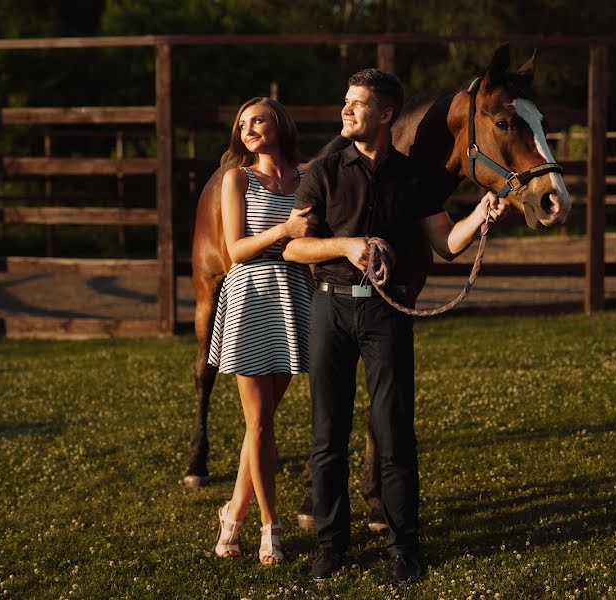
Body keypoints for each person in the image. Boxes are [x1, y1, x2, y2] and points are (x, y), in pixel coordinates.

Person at [282, 69, 509, 583]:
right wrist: (346, 246)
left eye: (358, 103)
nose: (346, 110)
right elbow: (294, 246)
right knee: (328, 434)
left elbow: (446, 244)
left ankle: (404, 547)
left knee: (395, 434)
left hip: (387, 312)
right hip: (330, 307)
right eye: (346, 101)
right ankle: (331, 545)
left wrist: (480, 215)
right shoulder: (322, 171)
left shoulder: (414, 178)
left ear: (385, 114)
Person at [209, 97, 316, 565]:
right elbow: (235, 249)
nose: (248, 128)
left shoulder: (307, 178)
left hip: (295, 299)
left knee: (265, 421)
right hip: (250, 298)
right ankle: (269, 527)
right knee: (258, 422)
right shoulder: (238, 179)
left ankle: (231, 514)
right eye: (242, 123)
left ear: (280, 124)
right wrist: (285, 229)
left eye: (258, 119)